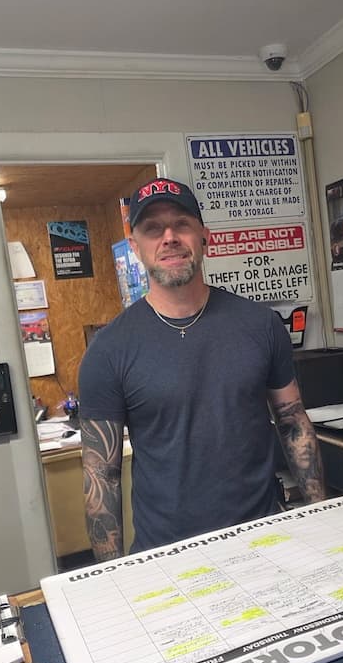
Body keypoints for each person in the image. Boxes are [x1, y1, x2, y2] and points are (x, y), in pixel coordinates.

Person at [79, 177, 326, 561]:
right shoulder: (109, 349)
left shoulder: (260, 324)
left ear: (204, 236)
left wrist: (320, 518)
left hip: (264, 540)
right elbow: (101, 474)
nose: (169, 238)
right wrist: (112, 574)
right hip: (168, 554)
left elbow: (293, 423)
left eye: (181, 224)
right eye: (153, 229)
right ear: (136, 247)